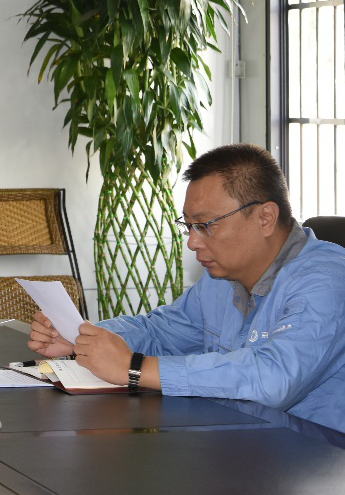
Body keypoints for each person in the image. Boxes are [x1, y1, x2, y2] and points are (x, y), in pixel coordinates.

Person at [29, 143, 345, 432]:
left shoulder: (328, 281)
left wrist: (134, 368)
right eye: (189, 226)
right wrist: (81, 337)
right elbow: (161, 332)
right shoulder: (222, 277)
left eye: (206, 225)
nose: (193, 242)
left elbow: (275, 378)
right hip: (237, 445)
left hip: (317, 459)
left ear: (265, 217)